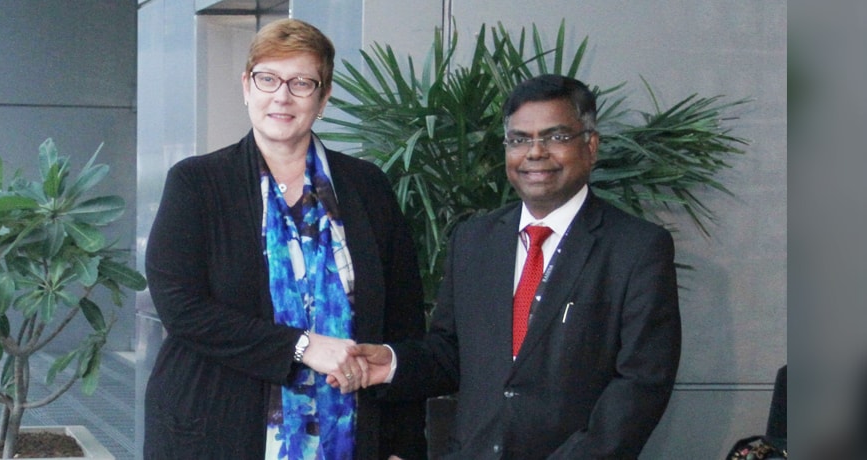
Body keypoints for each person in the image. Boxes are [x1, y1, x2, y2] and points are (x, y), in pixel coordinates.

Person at [344, 74, 682, 459]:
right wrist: (392, 364)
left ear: (590, 146)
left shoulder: (636, 248)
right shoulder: (473, 240)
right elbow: (449, 353)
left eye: (555, 137)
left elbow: (641, 385)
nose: (535, 152)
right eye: (519, 140)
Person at [143, 18, 427, 460]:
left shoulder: (367, 187)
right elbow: (181, 308)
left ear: (324, 95)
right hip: (216, 430)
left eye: (302, 82)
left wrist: (402, 444)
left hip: (352, 436)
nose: (282, 95)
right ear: (246, 85)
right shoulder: (198, 184)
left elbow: (404, 323)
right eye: (268, 78)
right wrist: (302, 346)